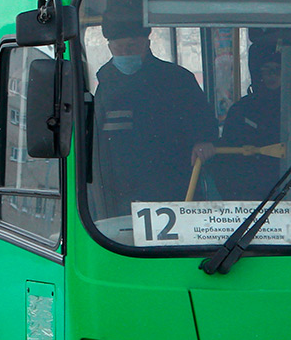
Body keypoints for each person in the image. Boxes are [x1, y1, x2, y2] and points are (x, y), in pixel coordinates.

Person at [91, 20, 218, 216]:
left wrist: (203, 141)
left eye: (132, 46)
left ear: (147, 44)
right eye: (119, 48)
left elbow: (203, 121)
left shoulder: (178, 80)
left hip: (174, 186)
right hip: (118, 192)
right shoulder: (104, 84)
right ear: (110, 48)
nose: (125, 53)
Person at [212, 40, 285, 199]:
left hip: (289, 188)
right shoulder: (241, 110)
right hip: (247, 193)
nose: (272, 76)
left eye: (277, 70)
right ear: (258, 74)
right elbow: (226, 157)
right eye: (267, 71)